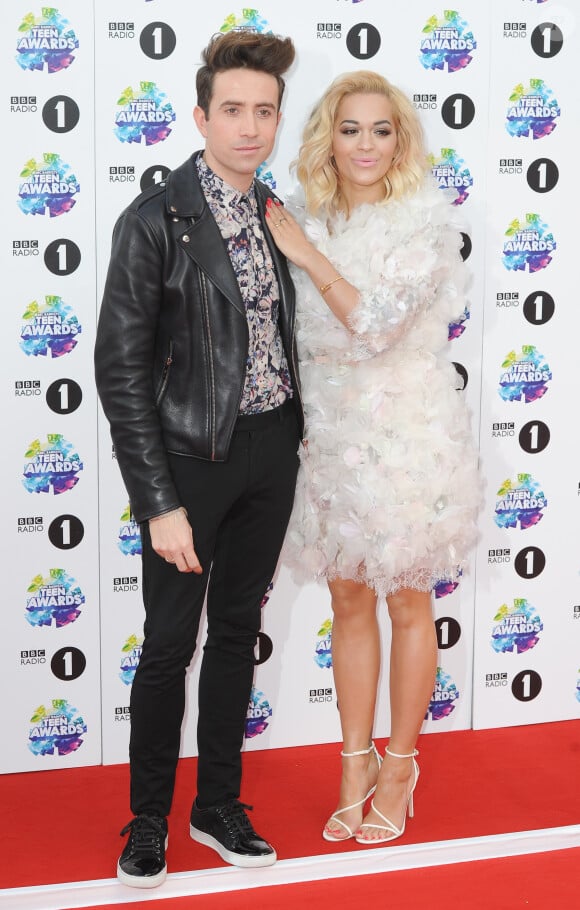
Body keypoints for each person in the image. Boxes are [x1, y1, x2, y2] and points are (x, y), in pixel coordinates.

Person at [95, 30, 302, 887]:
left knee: (238, 634)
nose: (249, 127)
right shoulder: (153, 221)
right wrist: (157, 500)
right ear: (200, 116)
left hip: (272, 452)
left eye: (264, 111)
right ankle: (147, 822)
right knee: (168, 646)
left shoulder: (276, 212)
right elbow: (119, 371)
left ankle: (217, 804)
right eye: (233, 111)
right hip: (189, 464)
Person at [265, 71, 479, 845]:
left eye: (380, 130)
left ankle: (400, 764)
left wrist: (305, 255)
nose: (365, 144)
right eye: (350, 129)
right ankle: (352, 765)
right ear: (330, 136)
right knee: (348, 602)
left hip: (408, 434)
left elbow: (378, 324)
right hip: (328, 431)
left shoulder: (423, 221)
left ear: (401, 140)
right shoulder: (309, 218)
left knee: (407, 601)